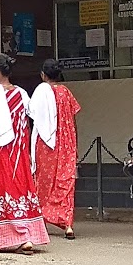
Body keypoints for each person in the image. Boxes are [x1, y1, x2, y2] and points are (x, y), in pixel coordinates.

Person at [0, 54, 48, 254]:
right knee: (18, 188)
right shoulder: (22, 93)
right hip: (17, 151)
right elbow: (28, 123)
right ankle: (26, 236)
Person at [31, 58, 82, 239]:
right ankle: (67, 225)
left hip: (45, 144)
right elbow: (73, 119)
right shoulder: (65, 92)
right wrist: (75, 143)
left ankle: (41, 220)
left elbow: (33, 117)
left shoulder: (40, 93)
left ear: (43, 75)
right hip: (66, 142)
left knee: (43, 181)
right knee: (66, 182)